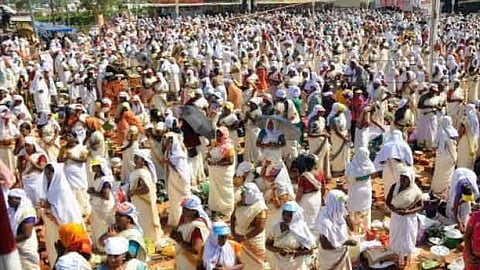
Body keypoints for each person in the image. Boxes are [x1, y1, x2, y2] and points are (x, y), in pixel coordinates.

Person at [39, 162, 83, 265]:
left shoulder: (62, 189)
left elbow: (65, 210)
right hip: (51, 225)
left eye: (49, 174)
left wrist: (49, 207)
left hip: (62, 225)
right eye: (46, 174)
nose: (47, 177)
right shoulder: (47, 187)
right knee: (52, 246)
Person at [386, 168, 424, 268]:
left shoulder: (415, 191)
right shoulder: (395, 187)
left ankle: (405, 257)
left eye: (405, 178)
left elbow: (421, 205)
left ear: (411, 179)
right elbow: (388, 201)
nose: (402, 180)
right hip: (396, 218)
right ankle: (396, 255)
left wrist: (407, 212)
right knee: (396, 236)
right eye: (401, 177)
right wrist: (395, 210)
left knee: (407, 237)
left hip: (409, 219)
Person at [266, 201, 315, 270]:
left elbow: (310, 250)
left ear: (296, 215)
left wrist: (294, 252)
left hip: (297, 265)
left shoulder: (302, 229)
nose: (286, 217)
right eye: (284, 214)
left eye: (290, 215)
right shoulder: (276, 227)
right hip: (278, 264)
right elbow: (268, 244)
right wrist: (279, 250)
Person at [128, 149, 163, 243]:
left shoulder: (142, 173)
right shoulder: (139, 171)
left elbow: (146, 189)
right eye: (134, 157)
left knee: (144, 220)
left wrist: (133, 192)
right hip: (139, 201)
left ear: (143, 160)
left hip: (143, 201)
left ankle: (149, 239)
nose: (135, 160)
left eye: (137, 158)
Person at [316, 190, 357, 270]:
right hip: (330, 259)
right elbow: (325, 245)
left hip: (342, 254)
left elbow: (352, 228)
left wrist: (347, 215)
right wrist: (344, 243)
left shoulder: (339, 214)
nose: (344, 205)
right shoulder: (324, 221)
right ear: (335, 203)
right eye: (342, 203)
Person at [231, 183, 268, 269]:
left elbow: (260, 228)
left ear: (250, 195)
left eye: (243, 194)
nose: (241, 196)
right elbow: (233, 218)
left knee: (256, 264)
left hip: (253, 240)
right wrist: (233, 233)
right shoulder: (240, 204)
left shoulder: (260, 208)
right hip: (238, 236)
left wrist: (244, 237)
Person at [170, 195, 211, 270]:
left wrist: (180, 241)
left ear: (194, 211)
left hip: (191, 263)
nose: (184, 211)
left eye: (187, 209)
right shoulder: (185, 220)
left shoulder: (197, 227)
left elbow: (196, 249)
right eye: (183, 208)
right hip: (184, 261)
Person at [164, 124, 192, 226]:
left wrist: (169, 163)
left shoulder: (179, 155)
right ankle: (175, 219)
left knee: (182, 198)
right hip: (173, 179)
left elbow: (180, 170)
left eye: (167, 141)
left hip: (180, 180)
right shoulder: (170, 152)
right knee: (174, 198)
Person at [58, 131, 91, 218]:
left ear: (75, 138)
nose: (68, 138)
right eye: (67, 136)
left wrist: (72, 157)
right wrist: (64, 158)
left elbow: (84, 159)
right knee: (69, 189)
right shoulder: (63, 148)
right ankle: (73, 209)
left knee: (79, 189)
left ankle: (83, 209)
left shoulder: (81, 148)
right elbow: (59, 160)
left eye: (70, 136)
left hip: (78, 172)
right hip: (67, 171)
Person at [374, 130, 413, 201]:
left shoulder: (386, 146)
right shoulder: (404, 145)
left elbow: (378, 161)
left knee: (388, 187)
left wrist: (380, 169)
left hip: (387, 169)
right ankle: (398, 205)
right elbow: (410, 161)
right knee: (400, 187)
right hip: (401, 169)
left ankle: (389, 206)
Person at [207, 127, 236, 219]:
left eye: (220, 135)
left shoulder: (228, 147)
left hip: (224, 174)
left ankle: (227, 209)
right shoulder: (216, 144)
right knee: (215, 190)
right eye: (217, 134)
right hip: (215, 173)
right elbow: (210, 154)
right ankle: (216, 208)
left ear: (225, 135)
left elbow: (230, 161)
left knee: (225, 191)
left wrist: (215, 163)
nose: (218, 137)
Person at [7, 189, 40, 270]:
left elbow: (26, 234)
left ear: (18, 199)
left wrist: (9, 241)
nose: (8, 201)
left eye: (11, 199)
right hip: (16, 245)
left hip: (25, 246)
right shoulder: (12, 211)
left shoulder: (27, 212)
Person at [346, 147, 376, 233]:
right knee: (365, 210)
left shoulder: (352, 165)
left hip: (355, 191)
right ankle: (366, 230)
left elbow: (349, 178)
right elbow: (372, 173)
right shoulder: (369, 164)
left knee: (354, 210)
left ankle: (355, 231)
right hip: (366, 191)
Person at [87, 158, 115, 249]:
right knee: (97, 225)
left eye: (95, 166)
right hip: (97, 204)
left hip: (104, 206)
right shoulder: (96, 177)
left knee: (105, 225)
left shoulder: (105, 180)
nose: (93, 167)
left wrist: (93, 193)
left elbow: (106, 196)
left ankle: (106, 246)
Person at [431, 116, 458, 199]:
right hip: (452, 157)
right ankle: (446, 191)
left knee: (439, 174)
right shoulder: (454, 131)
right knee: (449, 174)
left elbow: (435, 145)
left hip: (442, 157)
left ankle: (437, 191)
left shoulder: (440, 132)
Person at [295, 154, 324, 230]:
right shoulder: (320, 174)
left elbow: (300, 192)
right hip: (317, 198)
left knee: (305, 222)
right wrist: (321, 198)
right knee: (315, 219)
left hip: (306, 200)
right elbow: (323, 188)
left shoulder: (304, 176)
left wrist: (296, 203)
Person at [445, 168, 479, 233]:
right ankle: (453, 218)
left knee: (466, 206)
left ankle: (463, 218)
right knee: (452, 204)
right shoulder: (457, 191)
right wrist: (459, 222)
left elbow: (474, 196)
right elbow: (455, 208)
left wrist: (462, 202)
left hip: (469, 174)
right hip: (458, 173)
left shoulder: (474, 189)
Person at [19, 136, 48, 206]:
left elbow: (42, 169)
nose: (26, 148)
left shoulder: (40, 156)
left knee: (38, 201)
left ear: (34, 146)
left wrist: (30, 160)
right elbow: (21, 170)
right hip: (26, 181)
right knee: (29, 202)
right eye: (25, 146)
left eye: (28, 145)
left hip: (36, 180)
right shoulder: (23, 156)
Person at [307, 104, 331, 180]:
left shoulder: (322, 119)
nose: (322, 113)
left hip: (323, 141)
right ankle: (316, 175)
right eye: (320, 112)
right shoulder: (312, 121)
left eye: (322, 112)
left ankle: (324, 174)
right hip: (315, 142)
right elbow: (310, 134)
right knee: (317, 159)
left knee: (325, 158)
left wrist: (326, 133)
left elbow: (323, 129)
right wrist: (322, 134)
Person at [328, 103, 350, 176]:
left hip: (342, 136)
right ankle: (337, 170)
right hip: (337, 138)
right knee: (338, 152)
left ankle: (343, 168)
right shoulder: (334, 119)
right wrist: (344, 138)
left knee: (343, 154)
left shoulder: (340, 117)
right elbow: (337, 131)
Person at [457, 104, 479, 169]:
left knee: (463, 159)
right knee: (470, 160)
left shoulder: (465, 120)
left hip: (465, 141)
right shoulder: (475, 119)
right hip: (473, 141)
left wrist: (457, 139)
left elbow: (461, 131)